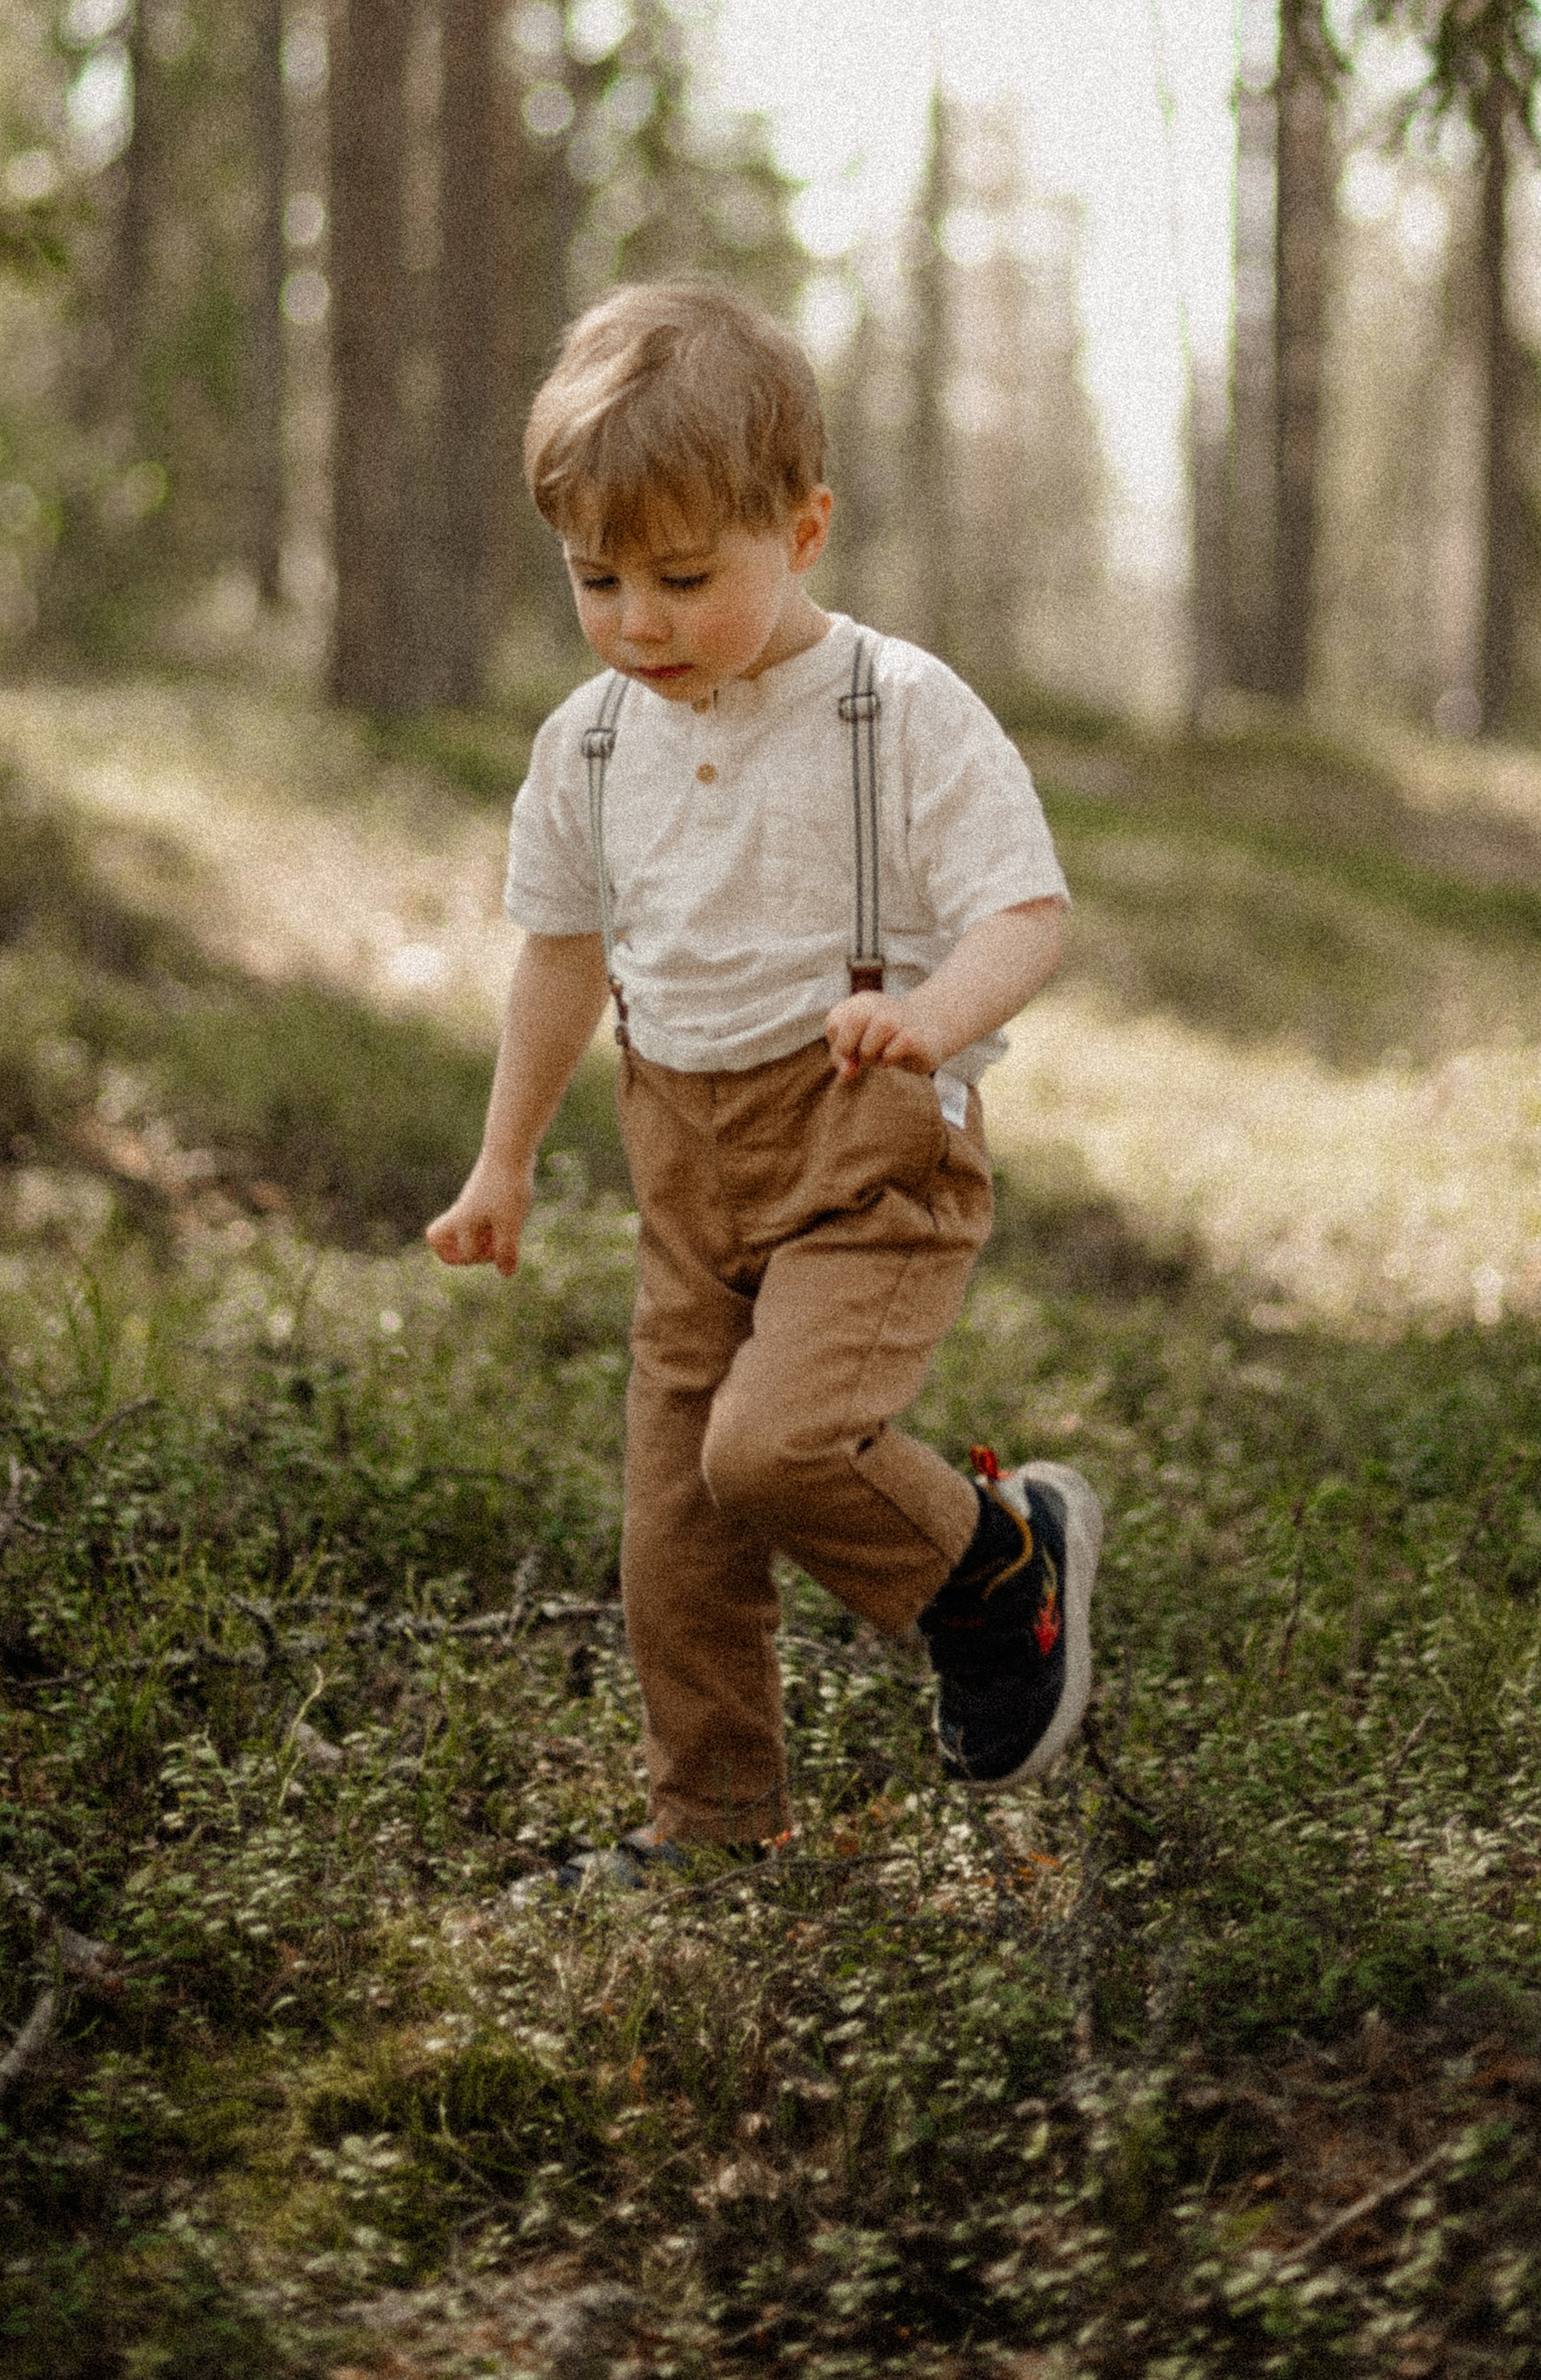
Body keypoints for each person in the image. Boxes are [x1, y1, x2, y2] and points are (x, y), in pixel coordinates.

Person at [426, 275, 1102, 1888]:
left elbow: (1029, 908)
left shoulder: (896, 708)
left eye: (681, 575)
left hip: (870, 1151)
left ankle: (1004, 1574)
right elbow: (563, 957)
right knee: (676, 1538)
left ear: (801, 532)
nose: (638, 622)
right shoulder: (588, 745)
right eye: (598, 579)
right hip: (686, 1173)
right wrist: (502, 1158)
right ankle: (716, 1833)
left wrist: (934, 1017)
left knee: (775, 1448)